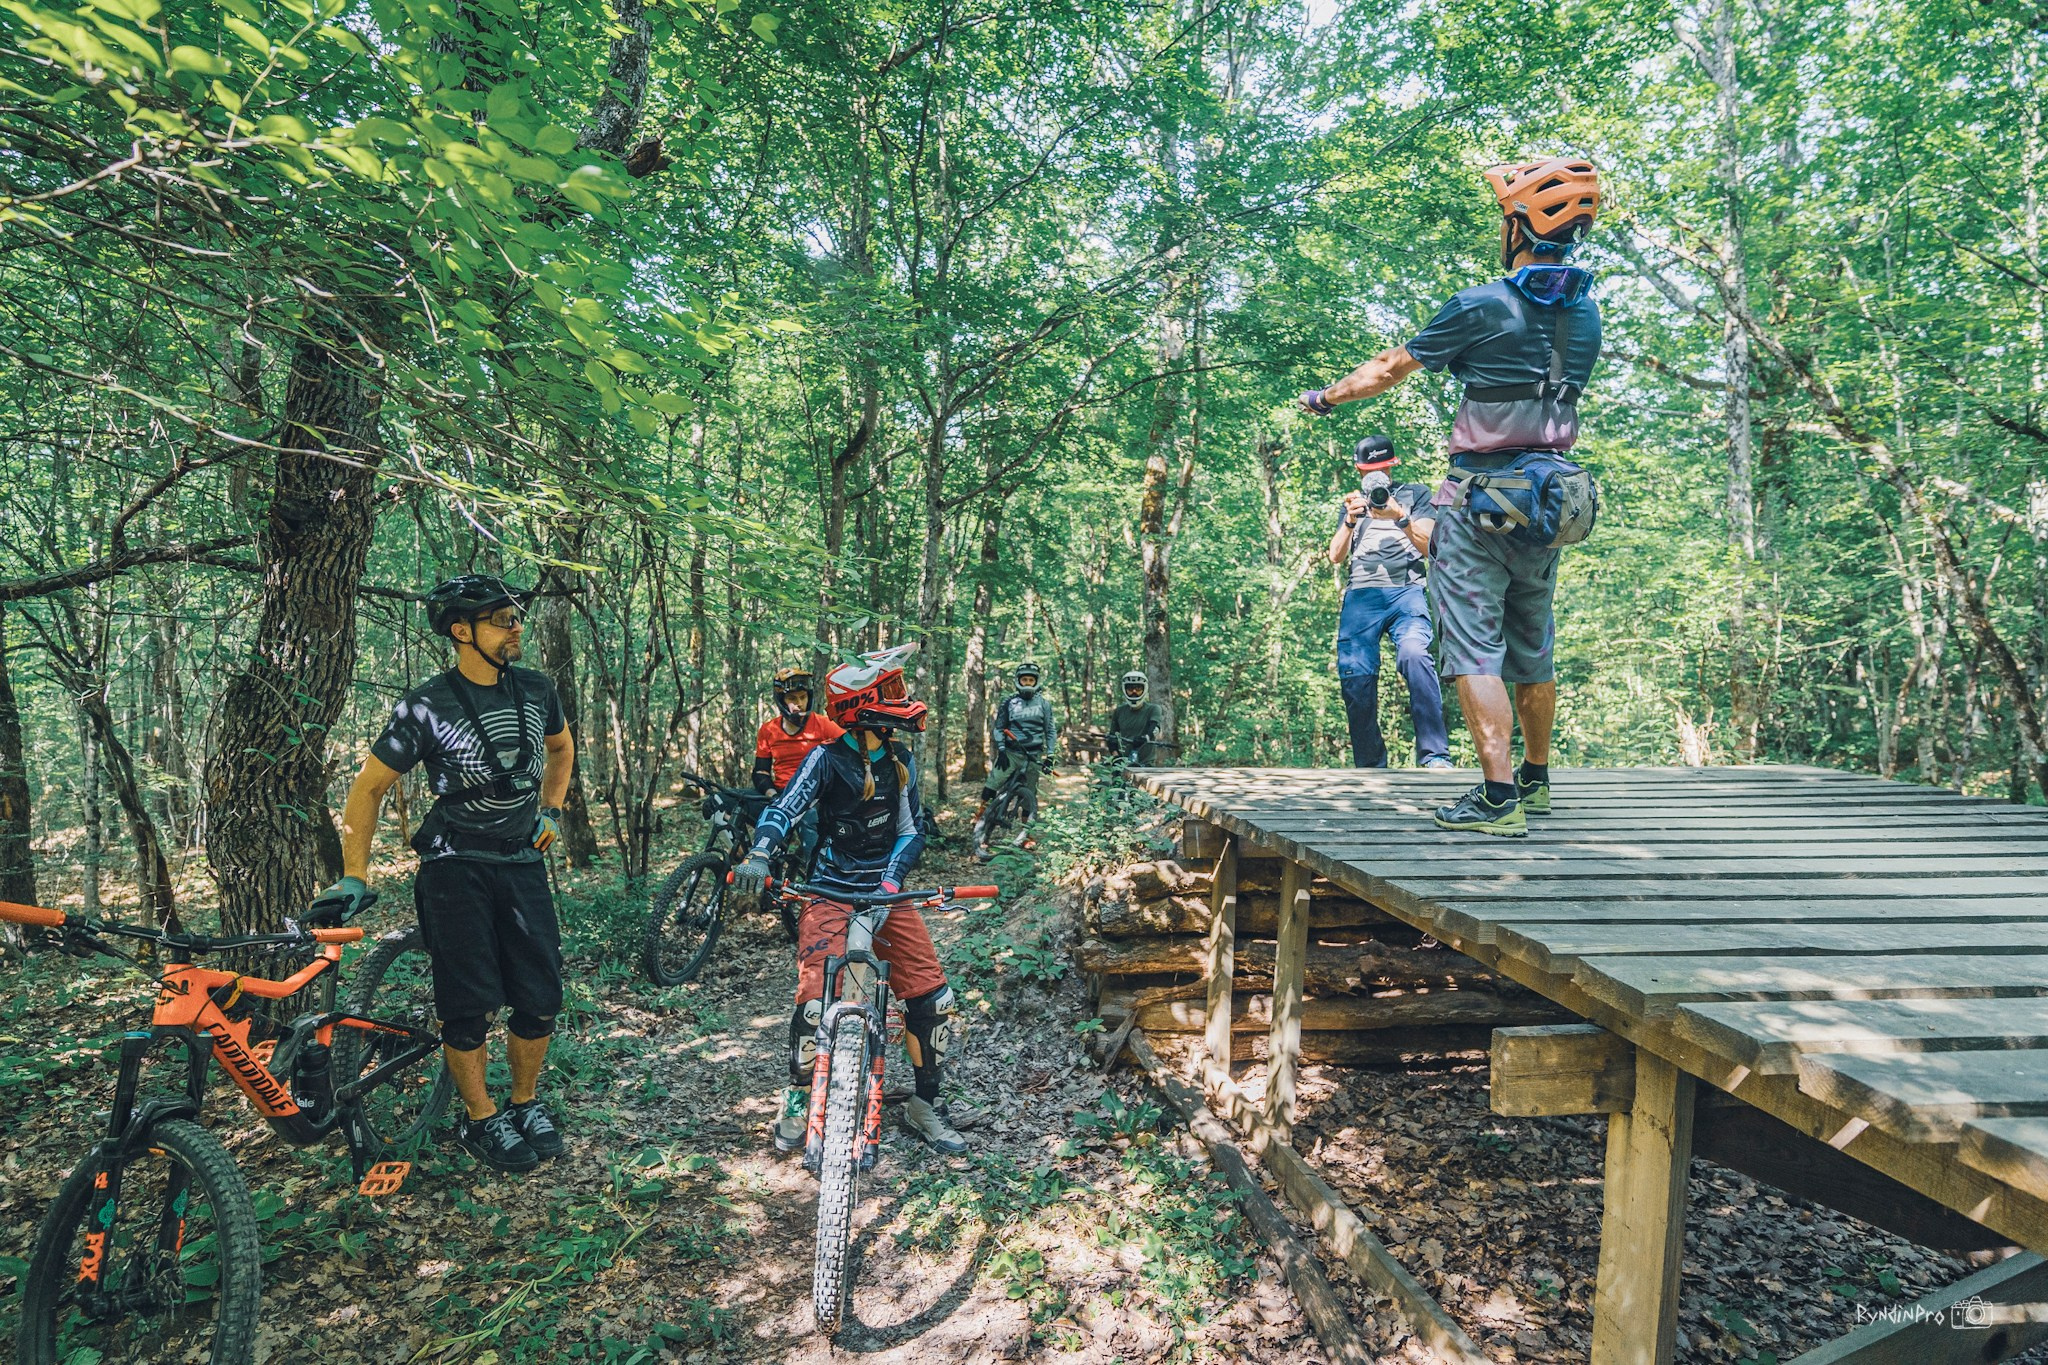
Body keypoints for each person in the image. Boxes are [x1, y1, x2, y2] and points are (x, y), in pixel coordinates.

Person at [1298, 156, 1602, 836]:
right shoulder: (1586, 318)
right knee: (1534, 644)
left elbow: (1388, 369)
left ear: (1518, 226)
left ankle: (1497, 799)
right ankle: (1536, 779)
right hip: (1552, 497)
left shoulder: (1484, 304)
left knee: (1472, 648)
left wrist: (1326, 397)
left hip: (1479, 500)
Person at [324, 574, 574, 1173]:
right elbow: (369, 787)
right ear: (462, 632)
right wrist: (353, 874)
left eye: (516, 616)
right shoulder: (426, 703)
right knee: (467, 1006)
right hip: (453, 866)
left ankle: (524, 1104)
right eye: (501, 620)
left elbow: (561, 750)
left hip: (521, 864)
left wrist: (553, 810)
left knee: (539, 998)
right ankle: (481, 1118)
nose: (516, 627)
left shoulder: (537, 689)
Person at [731, 644, 968, 1158]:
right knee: (816, 1001)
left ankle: (924, 1103)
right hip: (830, 887)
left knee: (934, 999)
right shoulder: (826, 756)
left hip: (887, 890)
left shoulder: (901, 758)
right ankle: (798, 1096)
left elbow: (912, 832)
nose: (902, 701)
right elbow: (786, 807)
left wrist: (889, 883)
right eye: (892, 692)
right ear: (862, 704)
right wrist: (759, 854)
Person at [1328, 435, 1452, 771]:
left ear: (1393, 465)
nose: (1377, 475)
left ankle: (1435, 756)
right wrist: (1350, 519)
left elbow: (1430, 547)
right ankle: (1370, 765)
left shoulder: (1416, 495)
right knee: (1356, 672)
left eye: (1382, 467)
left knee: (1415, 655)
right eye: (1370, 469)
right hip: (1361, 595)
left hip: (1406, 591)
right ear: (1359, 469)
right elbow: (1335, 556)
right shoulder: (1353, 502)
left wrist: (1400, 517)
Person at [750, 665, 842, 872]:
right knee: (721, 802)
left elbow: (850, 747)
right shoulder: (768, 730)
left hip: (815, 795)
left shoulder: (823, 725)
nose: (799, 704)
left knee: (809, 823)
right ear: (781, 700)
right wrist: (773, 795)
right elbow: (760, 772)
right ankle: (749, 862)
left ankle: (819, 878)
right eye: (792, 699)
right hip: (780, 793)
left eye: (802, 697)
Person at [978, 661, 1058, 850]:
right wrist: (1002, 749)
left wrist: (1051, 755)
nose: (1028, 683)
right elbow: (999, 727)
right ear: (1018, 680)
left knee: (1029, 795)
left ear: (1036, 681)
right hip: (1011, 753)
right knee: (993, 784)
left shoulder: (1044, 704)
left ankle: (1026, 834)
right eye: (1025, 679)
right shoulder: (1009, 702)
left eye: (1031, 680)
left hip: (1033, 756)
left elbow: (1050, 731)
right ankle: (981, 820)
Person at [1106, 671, 1164, 765]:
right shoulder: (1119, 711)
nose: (1134, 692)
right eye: (1130, 689)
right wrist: (1116, 758)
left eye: (1138, 689)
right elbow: (1112, 738)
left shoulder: (1153, 709)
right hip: (1123, 763)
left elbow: (1154, 727)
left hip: (1146, 763)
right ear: (1124, 689)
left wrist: (1145, 738)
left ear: (1144, 689)